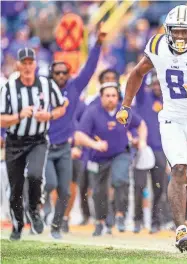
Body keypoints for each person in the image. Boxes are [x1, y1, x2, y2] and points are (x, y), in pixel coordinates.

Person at [115, 5, 187, 252]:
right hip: (171, 118)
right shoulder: (157, 46)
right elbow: (137, 73)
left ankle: (186, 210)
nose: (179, 36)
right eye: (176, 32)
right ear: (168, 31)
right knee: (178, 169)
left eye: (184, 32)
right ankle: (180, 230)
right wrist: (126, 105)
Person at [44, 24, 105, 238]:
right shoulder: (42, 89)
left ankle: (58, 224)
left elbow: (89, 68)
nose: (61, 75)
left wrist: (97, 43)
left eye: (64, 72)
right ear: (51, 74)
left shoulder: (74, 87)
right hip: (43, 145)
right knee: (50, 183)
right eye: (57, 72)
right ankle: (42, 210)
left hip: (66, 147)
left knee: (66, 189)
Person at [0, 47, 66, 241]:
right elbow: (2, 119)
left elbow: (62, 106)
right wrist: (19, 116)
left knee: (36, 174)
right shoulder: (9, 88)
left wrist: (50, 115)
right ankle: (18, 224)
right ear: (18, 65)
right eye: (24, 63)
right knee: (16, 187)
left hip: (38, 139)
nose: (28, 66)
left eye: (31, 63)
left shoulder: (46, 84)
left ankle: (35, 209)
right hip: (15, 141)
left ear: (36, 65)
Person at [75, 82, 146, 236]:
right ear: (101, 97)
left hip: (120, 153)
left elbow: (141, 125)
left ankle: (120, 215)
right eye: (107, 95)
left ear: (118, 97)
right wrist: (95, 144)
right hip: (98, 157)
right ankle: (100, 222)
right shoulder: (92, 112)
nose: (111, 99)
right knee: (98, 191)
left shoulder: (124, 111)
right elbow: (79, 135)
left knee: (120, 179)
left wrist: (142, 141)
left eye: (113, 95)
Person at [132, 73, 167, 234]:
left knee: (159, 188)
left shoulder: (169, 101)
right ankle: (137, 219)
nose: (157, 87)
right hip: (143, 148)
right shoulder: (142, 97)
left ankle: (155, 221)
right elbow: (137, 79)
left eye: (159, 84)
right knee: (139, 186)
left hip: (161, 150)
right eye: (154, 83)